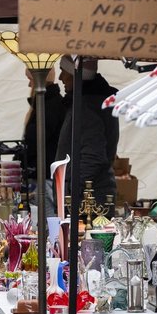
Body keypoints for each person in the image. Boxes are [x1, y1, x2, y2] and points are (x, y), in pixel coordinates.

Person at [55, 56, 119, 214]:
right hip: (92, 195)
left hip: (88, 201)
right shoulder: (95, 102)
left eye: (64, 71)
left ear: (76, 75)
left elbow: (92, 155)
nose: (60, 78)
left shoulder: (87, 107)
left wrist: (74, 192)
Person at [15, 67, 65, 213]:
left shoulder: (49, 107)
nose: (29, 85)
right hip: (42, 177)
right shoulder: (46, 105)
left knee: (45, 223)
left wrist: (19, 160)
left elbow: (34, 142)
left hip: (44, 179)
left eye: (30, 80)